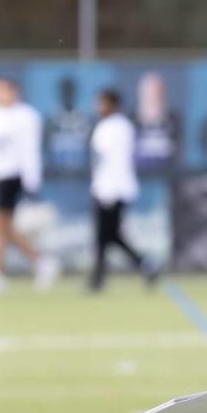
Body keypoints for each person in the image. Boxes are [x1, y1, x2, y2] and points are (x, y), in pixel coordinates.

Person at [0, 79, 60, 296]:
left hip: (14, 176)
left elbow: (30, 151)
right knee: (3, 229)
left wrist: (32, 181)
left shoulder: (27, 116)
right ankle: (42, 262)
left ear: (14, 92)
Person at [89, 89, 158, 292]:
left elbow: (117, 162)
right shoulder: (105, 126)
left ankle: (100, 277)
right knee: (109, 236)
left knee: (107, 236)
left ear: (113, 105)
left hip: (113, 189)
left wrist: (109, 191)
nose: (99, 108)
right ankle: (142, 265)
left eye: (103, 103)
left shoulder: (119, 128)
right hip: (104, 187)